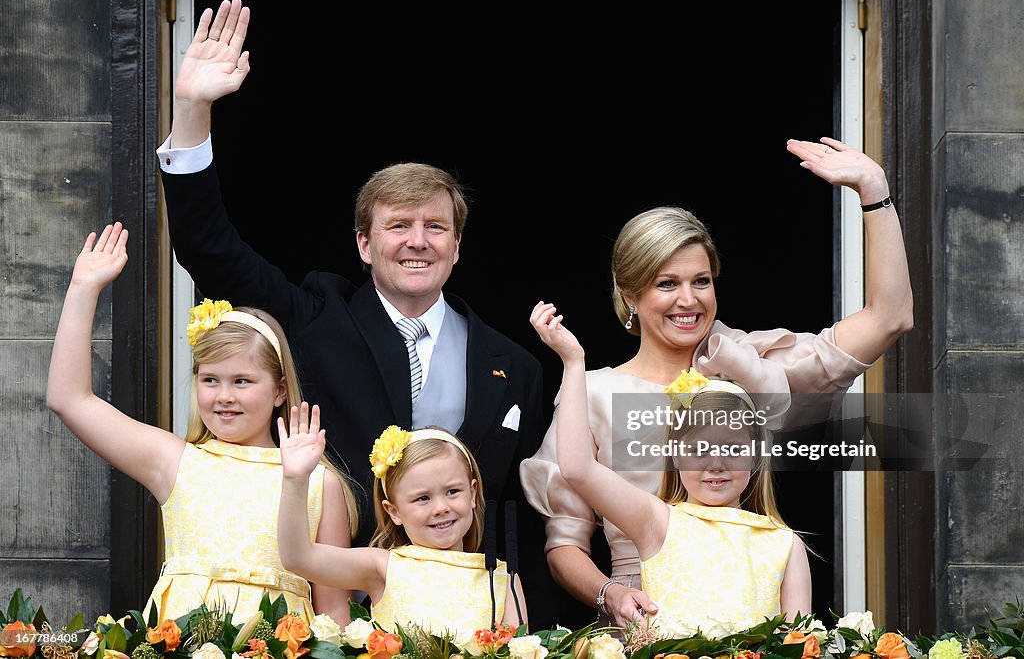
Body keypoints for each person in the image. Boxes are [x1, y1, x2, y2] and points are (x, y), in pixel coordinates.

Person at [155, 0, 555, 624]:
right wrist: (192, 110)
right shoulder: (316, 317)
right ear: (365, 246)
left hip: (466, 618)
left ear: (457, 246)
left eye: (435, 227)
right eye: (397, 226)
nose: (417, 241)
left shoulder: (516, 367)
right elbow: (210, 248)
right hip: (333, 607)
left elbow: (520, 519)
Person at [520, 138, 914, 628]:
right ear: (630, 295)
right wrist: (612, 596)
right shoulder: (595, 393)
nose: (689, 300)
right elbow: (564, 545)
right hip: (645, 626)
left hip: (749, 624)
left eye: (701, 281)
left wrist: (873, 191)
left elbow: (890, 318)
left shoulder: (750, 366)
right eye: (667, 283)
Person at [45, 222, 358, 625]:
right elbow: (69, 399)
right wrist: (82, 289)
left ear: (280, 390)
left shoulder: (319, 482)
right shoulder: (177, 462)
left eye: (242, 381)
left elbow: (334, 609)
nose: (224, 395)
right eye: (210, 380)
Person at [531, 303, 810, 634]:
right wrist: (573, 362)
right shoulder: (657, 521)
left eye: (733, 449)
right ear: (675, 455)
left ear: (755, 455)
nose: (716, 464)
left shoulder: (784, 543)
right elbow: (577, 468)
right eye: (699, 449)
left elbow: (798, 642)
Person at [278, 419, 527, 638]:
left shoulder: (502, 579)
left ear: (472, 494)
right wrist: (296, 479)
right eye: (422, 498)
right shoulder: (383, 567)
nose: (440, 507)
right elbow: (298, 557)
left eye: (453, 492)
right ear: (393, 511)